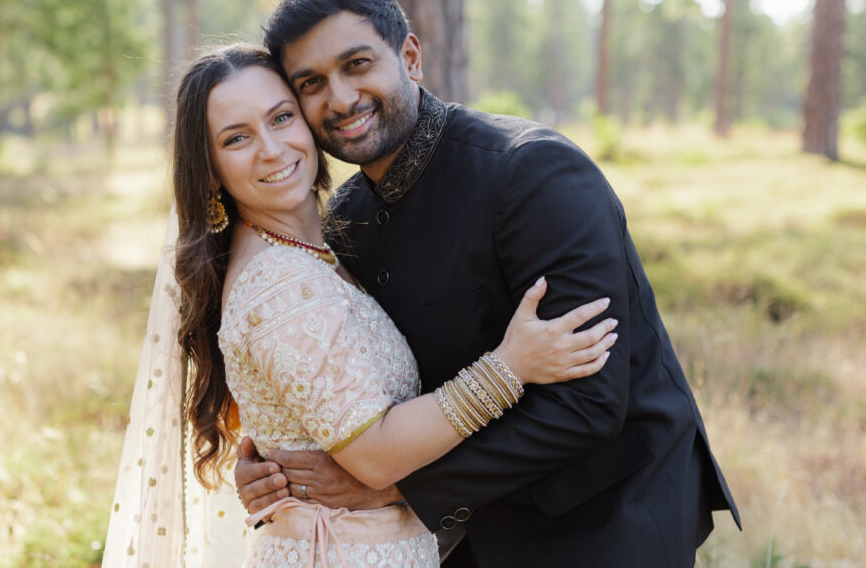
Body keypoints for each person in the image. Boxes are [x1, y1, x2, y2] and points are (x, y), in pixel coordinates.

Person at [235, 0, 742, 567]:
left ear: (410, 56)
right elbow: (364, 382)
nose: (342, 98)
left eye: (357, 63)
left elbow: (590, 404)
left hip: (607, 517)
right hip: (466, 528)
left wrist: (393, 486)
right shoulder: (346, 220)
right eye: (312, 83)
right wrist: (276, 464)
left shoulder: (535, 175)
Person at [101, 44, 619, 567]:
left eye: (281, 118)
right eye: (236, 138)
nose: (272, 149)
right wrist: (511, 367)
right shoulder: (280, 283)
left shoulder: (320, 244)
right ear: (208, 169)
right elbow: (374, 456)